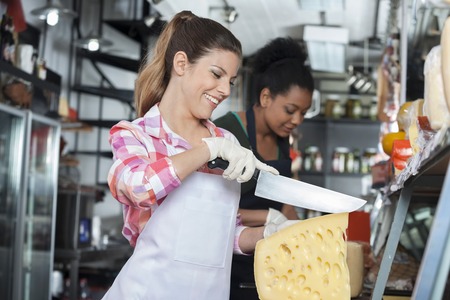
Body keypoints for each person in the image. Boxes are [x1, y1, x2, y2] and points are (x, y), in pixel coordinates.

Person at [101, 11, 295, 300]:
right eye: (216, 74)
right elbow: (138, 187)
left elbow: (220, 235)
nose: (224, 90)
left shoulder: (225, 140)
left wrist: (268, 234)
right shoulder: (136, 135)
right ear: (181, 64)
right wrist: (207, 151)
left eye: (230, 81)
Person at [213, 37, 315, 300]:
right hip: (228, 260)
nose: (297, 121)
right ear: (266, 96)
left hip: (268, 264)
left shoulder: (282, 142)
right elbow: (210, 212)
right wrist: (267, 216)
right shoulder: (226, 133)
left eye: (303, 113)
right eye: (291, 110)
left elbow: (286, 204)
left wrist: (309, 239)